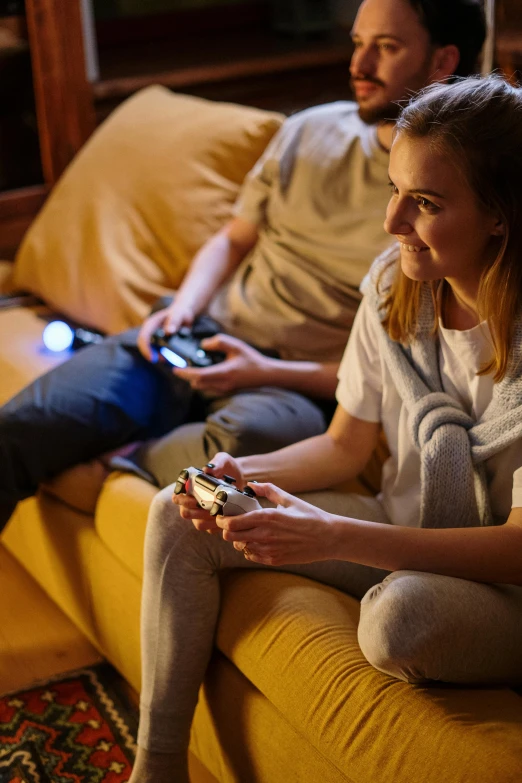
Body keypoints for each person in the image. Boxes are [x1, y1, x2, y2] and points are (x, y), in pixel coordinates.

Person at [128, 73, 522, 783]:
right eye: (394, 190)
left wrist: (333, 533)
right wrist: (240, 478)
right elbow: (345, 444)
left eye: (426, 203)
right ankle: (157, 769)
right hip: (400, 525)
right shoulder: (394, 287)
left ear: (501, 215)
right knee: (177, 510)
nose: (393, 222)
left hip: (504, 588)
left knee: (399, 620)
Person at [0, 0, 486, 531]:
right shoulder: (309, 131)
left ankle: (127, 457)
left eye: (386, 48)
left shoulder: (443, 210)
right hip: (202, 335)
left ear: (442, 61)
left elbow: (391, 370)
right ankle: (113, 431)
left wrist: (262, 370)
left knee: (236, 445)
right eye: (357, 43)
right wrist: (182, 310)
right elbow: (231, 240)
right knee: (15, 430)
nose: (359, 64)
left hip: (292, 385)